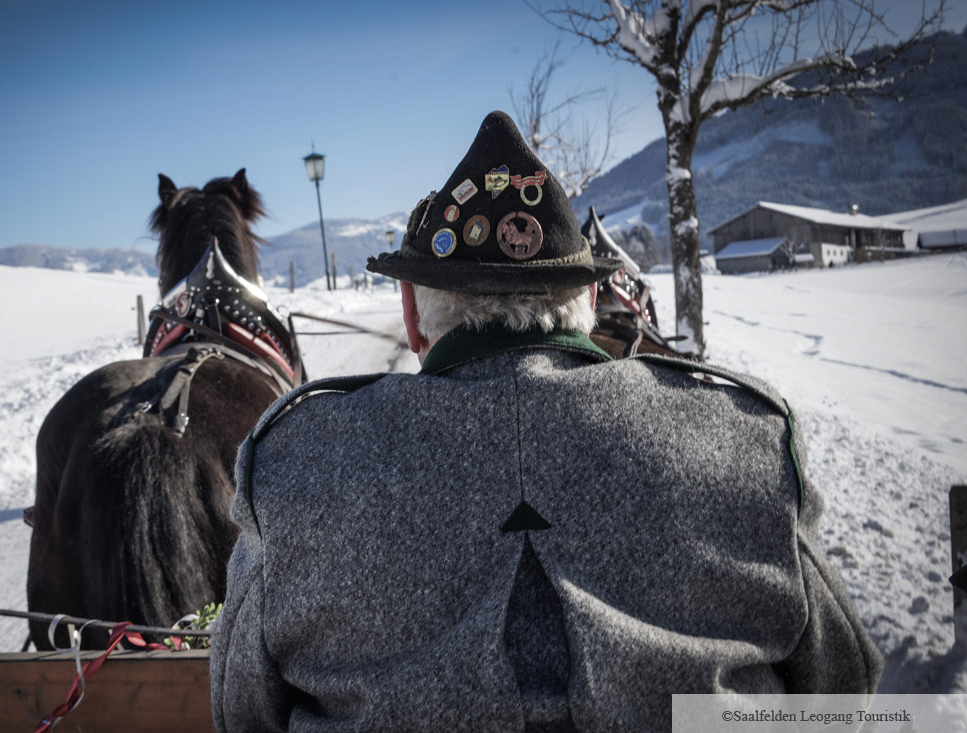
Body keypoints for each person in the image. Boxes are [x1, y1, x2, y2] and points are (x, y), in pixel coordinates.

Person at [209, 111, 881, 732]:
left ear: (413, 316)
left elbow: (242, 712)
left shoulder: (295, 465)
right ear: (590, 298)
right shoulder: (746, 438)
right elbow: (845, 684)